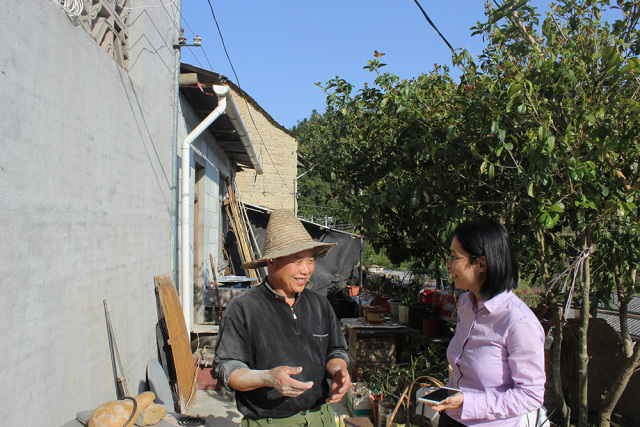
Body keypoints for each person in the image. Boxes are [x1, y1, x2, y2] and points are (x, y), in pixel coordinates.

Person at [213, 209, 351, 426]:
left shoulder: (319, 304)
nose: (306, 270)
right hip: (269, 422)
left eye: (311, 260)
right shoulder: (244, 308)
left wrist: (338, 371)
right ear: (272, 262)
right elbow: (228, 368)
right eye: (297, 261)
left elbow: (336, 350)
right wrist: (267, 378)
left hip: (320, 417)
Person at [427, 218, 546, 427]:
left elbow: (530, 395)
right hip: (452, 419)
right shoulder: (466, 304)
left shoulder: (518, 322)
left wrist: (470, 403)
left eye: (454, 258)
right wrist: (448, 395)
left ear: (481, 264)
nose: (448, 264)